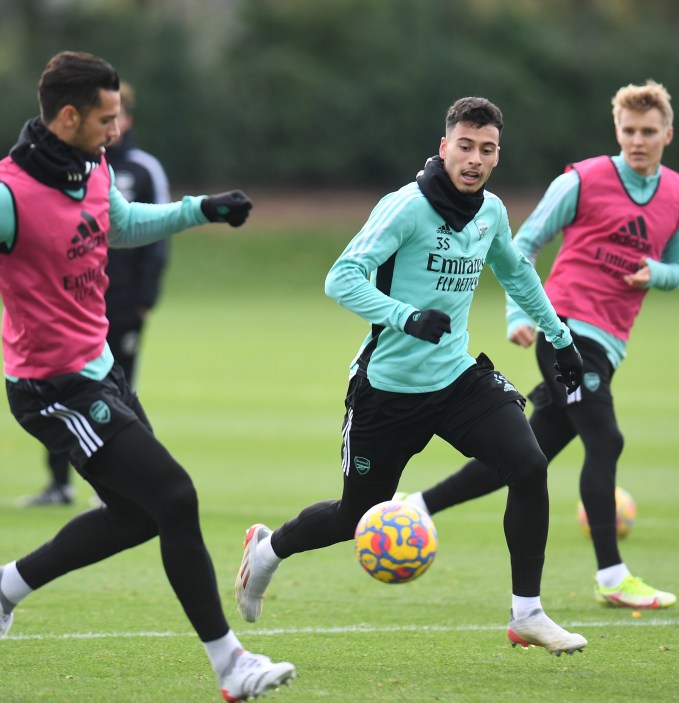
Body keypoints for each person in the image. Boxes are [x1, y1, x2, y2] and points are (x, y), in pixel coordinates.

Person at [0, 51, 295, 701]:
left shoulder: (92, 164)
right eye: (106, 117)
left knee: (138, 515)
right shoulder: (1, 196)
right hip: (50, 388)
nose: (117, 128)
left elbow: (119, 223)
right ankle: (230, 664)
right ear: (67, 116)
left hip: (101, 370)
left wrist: (200, 211)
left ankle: (3, 584)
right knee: (175, 496)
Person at [235, 97, 588, 656]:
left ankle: (528, 613)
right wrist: (404, 316)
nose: (474, 159)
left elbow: (517, 275)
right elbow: (341, 278)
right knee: (356, 516)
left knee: (527, 464)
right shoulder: (406, 207)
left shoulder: (490, 212)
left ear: (498, 155)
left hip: (457, 383)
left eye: (486, 149)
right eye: (465, 146)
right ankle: (267, 550)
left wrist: (562, 340)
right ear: (444, 146)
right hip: (387, 392)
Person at [403, 81, 679, 610]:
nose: (637, 140)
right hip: (566, 332)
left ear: (666, 135)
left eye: (648, 132)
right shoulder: (583, 180)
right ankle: (612, 575)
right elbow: (522, 246)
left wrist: (659, 272)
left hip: (610, 341)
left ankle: (418, 505)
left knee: (526, 457)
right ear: (617, 131)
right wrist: (521, 315)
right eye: (628, 131)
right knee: (606, 439)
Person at [27, 82, 172, 507]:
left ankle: (120, 487)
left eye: (119, 116)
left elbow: (157, 235)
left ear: (128, 119)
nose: (113, 125)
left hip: (124, 305)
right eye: (106, 117)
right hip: (72, 306)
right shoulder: (68, 167)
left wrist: (146, 298)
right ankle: (58, 484)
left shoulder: (144, 170)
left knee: (119, 392)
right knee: (61, 393)